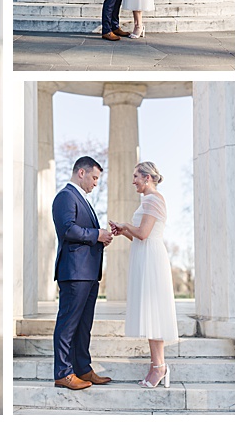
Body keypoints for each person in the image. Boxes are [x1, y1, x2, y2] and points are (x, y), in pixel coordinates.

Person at [109, 162, 178, 388]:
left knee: (154, 312)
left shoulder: (153, 199)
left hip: (152, 260)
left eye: (136, 176)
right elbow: (138, 237)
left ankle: (160, 366)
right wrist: (124, 232)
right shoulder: (147, 201)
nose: (133, 181)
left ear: (147, 178)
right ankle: (156, 365)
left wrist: (127, 225)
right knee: (150, 314)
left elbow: (144, 233)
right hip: (144, 256)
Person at [51, 156, 113, 390]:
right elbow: (67, 229)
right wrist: (96, 234)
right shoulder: (65, 196)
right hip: (74, 272)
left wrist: (103, 237)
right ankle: (63, 373)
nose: (96, 183)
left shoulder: (84, 200)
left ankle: (83, 369)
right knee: (67, 325)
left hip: (88, 273)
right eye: (94, 177)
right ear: (81, 173)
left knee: (83, 325)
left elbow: (83, 231)